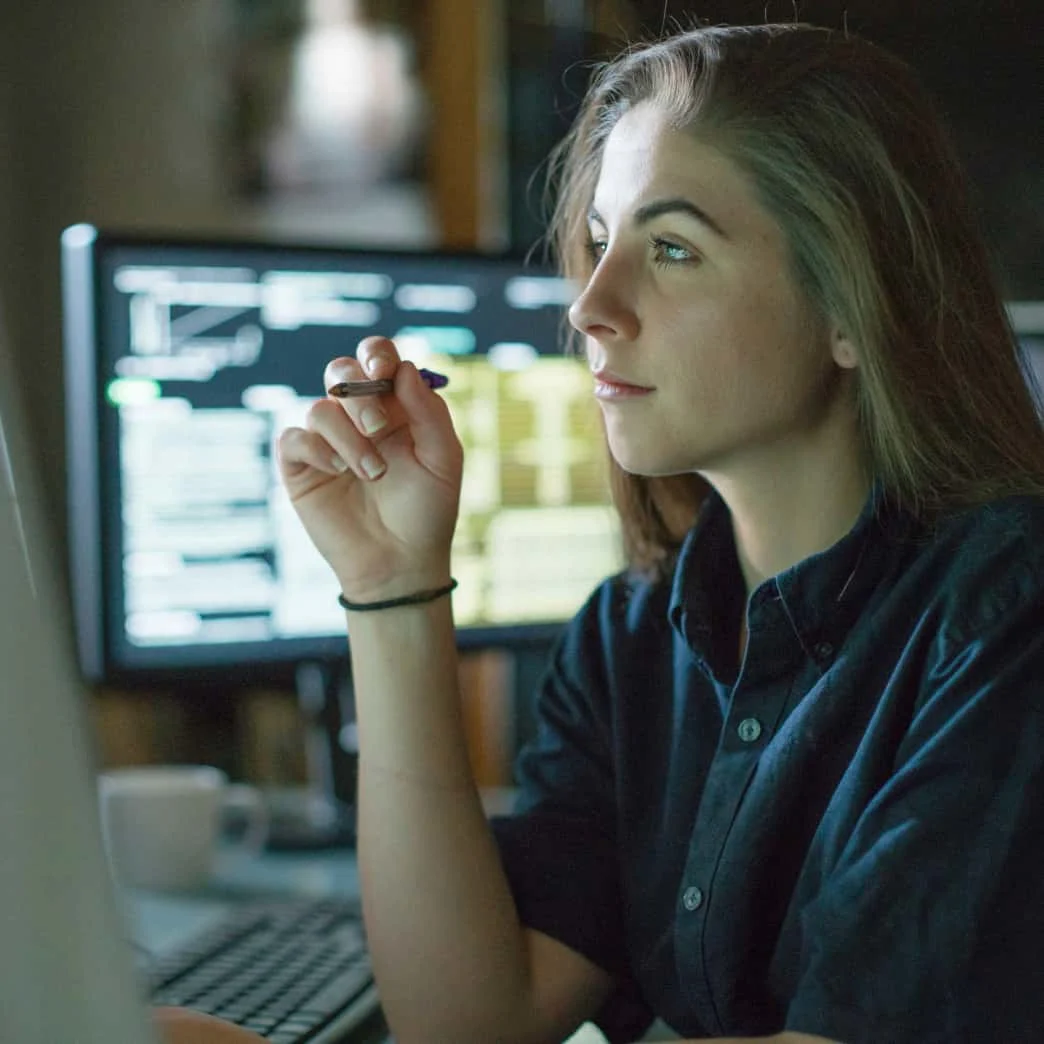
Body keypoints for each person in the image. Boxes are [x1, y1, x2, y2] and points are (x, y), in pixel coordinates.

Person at [219, 21, 1044, 1044]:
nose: (593, 305)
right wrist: (391, 584)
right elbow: (471, 1022)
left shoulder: (1005, 614)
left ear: (851, 305)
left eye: (671, 249)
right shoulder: (632, 636)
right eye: (602, 242)